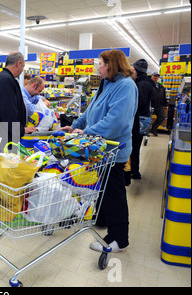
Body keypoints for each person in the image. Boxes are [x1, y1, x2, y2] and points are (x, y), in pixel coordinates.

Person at [60, 49, 138, 253]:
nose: (97, 67)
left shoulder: (126, 86)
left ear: (110, 65)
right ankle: (102, 219)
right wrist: (74, 125)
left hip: (113, 151)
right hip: (99, 149)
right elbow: (90, 111)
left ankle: (119, 239)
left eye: (100, 63)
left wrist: (85, 131)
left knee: (114, 193)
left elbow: (116, 122)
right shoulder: (105, 84)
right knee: (103, 188)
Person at [0, 51, 37, 147]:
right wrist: (20, 130)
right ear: (18, 64)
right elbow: (7, 111)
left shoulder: (7, 78)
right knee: (5, 161)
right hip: (4, 137)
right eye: (23, 66)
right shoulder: (5, 80)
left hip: (7, 134)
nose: (22, 69)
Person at [131, 59, 157, 179]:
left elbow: (139, 102)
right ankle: (134, 170)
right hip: (144, 117)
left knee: (134, 147)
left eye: (134, 70)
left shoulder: (141, 84)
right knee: (136, 146)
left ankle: (134, 172)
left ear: (138, 71)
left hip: (138, 119)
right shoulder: (147, 83)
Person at [150, 72, 167, 136]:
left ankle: (153, 128)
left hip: (159, 105)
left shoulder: (161, 86)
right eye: (154, 76)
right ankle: (145, 131)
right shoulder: (149, 85)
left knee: (162, 117)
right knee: (148, 118)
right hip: (151, 105)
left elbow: (164, 96)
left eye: (157, 76)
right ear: (151, 76)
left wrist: (165, 104)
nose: (156, 77)